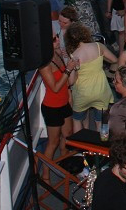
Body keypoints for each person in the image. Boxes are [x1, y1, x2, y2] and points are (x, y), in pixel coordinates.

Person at [65, 23, 117, 132]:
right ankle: (99, 146)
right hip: (101, 90)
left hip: (82, 93)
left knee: (77, 120)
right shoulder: (98, 46)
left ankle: (80, 146)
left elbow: (71, 82)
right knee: (100, 122)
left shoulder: (74, 55)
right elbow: (114, 60)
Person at [39, 31, 77, 172]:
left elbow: (66, 83)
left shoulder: (58, 54)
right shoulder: (44, 64)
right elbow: (55, 88)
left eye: (57, 37)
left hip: (64, 102)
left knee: (67, 135)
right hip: (52, 106)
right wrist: (68, 69)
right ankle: (46, 175)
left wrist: (69, 96)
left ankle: (65, 164)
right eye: (54, 38)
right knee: (53, 142)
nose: (58, 40)